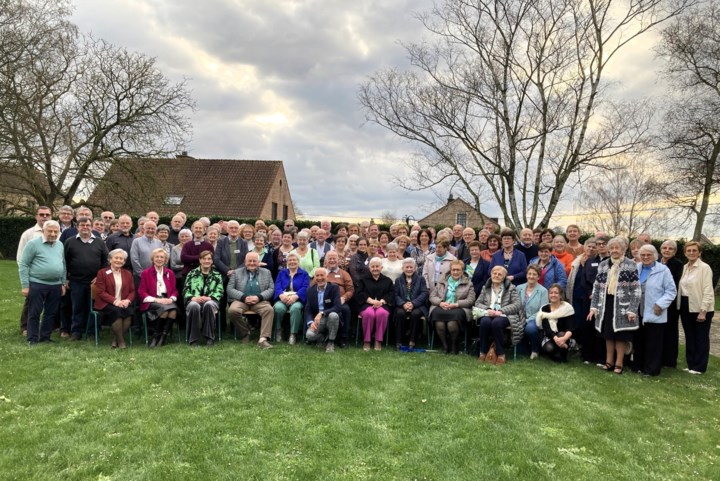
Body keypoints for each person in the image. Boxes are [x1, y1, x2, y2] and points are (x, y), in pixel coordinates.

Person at [588, 236, 641, 375]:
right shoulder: (603, 264)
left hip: (623, 305)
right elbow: (597, 287)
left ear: (623, 249)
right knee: (608, 335)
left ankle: (619, 363)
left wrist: (632, 309)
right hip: (606, 304)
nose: (614, 250)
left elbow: (636, 289)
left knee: (621, 336)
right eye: (612, 248)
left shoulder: (630, 265)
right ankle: (609, 361)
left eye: (617, 248)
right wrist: (594, 307)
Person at [18, 220, 66, 345]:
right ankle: (32, 338)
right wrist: (25, 286)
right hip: (37, 284)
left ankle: (45, 336)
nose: (53, 234)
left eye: (56, 231)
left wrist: (62, 283)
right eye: (50, 231)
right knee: (34, 312)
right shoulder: (33, 244)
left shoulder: (60, 245)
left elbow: (63, 264)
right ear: (44, 231)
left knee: (51, 313)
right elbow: (23, 264)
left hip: (55, 285)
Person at [64, 216, 109, 341]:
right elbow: (65, 262)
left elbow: (106, 261)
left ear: (91, 227)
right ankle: (76, 332)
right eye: (82, 225)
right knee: (77, 307)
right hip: (76, 281)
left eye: (88, 225)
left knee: (94, 307)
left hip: (95, 282)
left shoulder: (99, 242)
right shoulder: (70, 241)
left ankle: (91, 332)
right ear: (77, 227)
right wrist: (66, 278)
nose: (85, 227)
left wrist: (99, 276)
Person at [635, 245, 676, 376]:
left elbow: (671, 291)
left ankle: (651, 369)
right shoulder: (637, 268)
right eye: (643, 255)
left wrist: (660, 304)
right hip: (637, 310)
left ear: (655, 256)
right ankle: (638, 366)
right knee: (639, 340)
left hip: (654, 311)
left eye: (649, 255)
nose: (645, 257)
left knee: (653, 343)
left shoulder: (663, 270)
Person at [677, 241, 714, 374]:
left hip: (700, 307)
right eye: (689, 250)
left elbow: (708, 290)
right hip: (686, 305)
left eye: (694, 250)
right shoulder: (685, 267)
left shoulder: (705, 268)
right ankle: (691, 364)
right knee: (689, 336)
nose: (691, 253)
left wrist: (703, 311)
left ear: (699, 252)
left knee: (701, 337)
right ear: (685, 252)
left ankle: (699, 367)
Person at [474, 266, 523, 365]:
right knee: (485, 322)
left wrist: (501, 311)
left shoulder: (511, 288)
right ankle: (483, 352)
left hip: (505, 315)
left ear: (504, 277)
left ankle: (501, 354)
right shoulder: (486, 287)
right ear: (491, 275)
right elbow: (478, 303)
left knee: (496, 323)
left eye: (499, 274)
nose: (496, 275)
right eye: (494, 273)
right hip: (488, 314)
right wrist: (488, 309)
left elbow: (517, 304)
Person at [227, 251, 275, 349]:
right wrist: (244, 297)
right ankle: (245, 333)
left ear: (258, 262)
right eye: (249, 261)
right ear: (245, 262)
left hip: (260, 301)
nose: (252, 263)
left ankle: (263, 339)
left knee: (269, 310)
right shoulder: (237, 272)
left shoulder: (266, 272)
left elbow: (271, 289)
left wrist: (259, 297)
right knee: (232, 311)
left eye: (254, 261)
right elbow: (230, 289)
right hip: (241, 300)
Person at [16, 205, 52, 336]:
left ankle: (47, 327)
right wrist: (25, 278)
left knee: (50, 303)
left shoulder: (56, 231)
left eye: (47, 214)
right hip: (34, 276)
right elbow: (21, 258)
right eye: (41, 214)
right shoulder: (29, 234)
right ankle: (25, 327)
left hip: (51, 278)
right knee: (30, 302)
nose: (44, 217)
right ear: (36, 216)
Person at [429, 260, 476, 354]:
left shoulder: (468, 283)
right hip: (442, 307)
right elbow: (432, 296)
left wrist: (456, 304)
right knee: (439, 323)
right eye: (453, 270)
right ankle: (445, 346)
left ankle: (454, 345)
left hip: (459, 308)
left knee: (452, 324)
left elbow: (471, 300)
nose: (455, 272)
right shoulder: (441, 282)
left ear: (462, 271)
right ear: (450, 270)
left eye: (458, 270)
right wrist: (440, 303)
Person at [94, 249, 135, 348]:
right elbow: (101, 292)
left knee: (129, 312)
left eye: (121, 259)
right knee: (117, 312)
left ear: (124, 262)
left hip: (123, 302)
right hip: (106, 303)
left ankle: (115, 339)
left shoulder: (127, 273)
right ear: (110, 259)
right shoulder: (102, 273)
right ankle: (121, 342)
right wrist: (115, 301)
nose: (119, 260)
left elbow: (132, 291)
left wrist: (127, 300)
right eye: (116, 258)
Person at [138, 248, 179, 348]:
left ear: (165, 260)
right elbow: (141, 291)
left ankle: (163, 337)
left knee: (173, 310)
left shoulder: (170, 273)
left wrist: (171, 299)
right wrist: (156, 300)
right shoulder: (146, 273)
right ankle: (156, 336)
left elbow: (174, 291)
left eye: (162, 257)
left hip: (166, 299)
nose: (159, 259)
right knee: (164, 310)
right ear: (153, 259)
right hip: (153, 300)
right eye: (157, 257)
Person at [566, 238, 597, 363]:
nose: (591, 248)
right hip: (576, 296)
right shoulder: (577, 260)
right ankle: (579, 347)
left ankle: (588, 351)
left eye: (594, 246)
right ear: (584, 247)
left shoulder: (598, 262)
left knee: (588, 325)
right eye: (589, 246)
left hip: (589, 297)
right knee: (577, 323)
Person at [184, 250, 224, 346]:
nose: (207, 261)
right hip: (194, 300)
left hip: (211, 301)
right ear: (200, 260)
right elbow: (186, 289)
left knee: (209, 305)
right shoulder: (192, 273)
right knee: (194, 306)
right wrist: (193, 298)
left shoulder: (217, 275)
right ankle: (194, 339)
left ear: (212, 261)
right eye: (204, 259)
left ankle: (209, 337)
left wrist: (210, 298)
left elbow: (220, 290)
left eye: (209, 259)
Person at [357, 257, 394, 351]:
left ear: (381, 268)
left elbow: (391, 294)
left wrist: (381, 302)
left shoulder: (387, 280)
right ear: (369, 268)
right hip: (366, 304)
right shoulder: (363, 280)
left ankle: (378, 340)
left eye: (377, 266)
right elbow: (360, 293)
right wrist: (372, 301)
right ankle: (367, 341)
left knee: (381, 313)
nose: (375, 268)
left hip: (383, 305)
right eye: (373, 267)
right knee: (369, 314)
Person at [273, 252, 310, 345]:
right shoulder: (282, 273)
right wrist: (281, 295)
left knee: (295, 308)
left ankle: (293, 333)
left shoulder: (304, 274)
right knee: (278, 308)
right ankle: (278, 330)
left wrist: (296, 296)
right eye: (290, 260)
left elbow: (305, 287)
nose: (292, 262)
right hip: (283, 298)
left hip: (297, 298)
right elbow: (277, 285)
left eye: (294, 260)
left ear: (298, 261)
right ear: (287, 262)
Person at [393, 258, 429, 349]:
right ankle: (399, 341)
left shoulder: (421, 279)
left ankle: (412, 340)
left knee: (415, 314)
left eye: (411, 267)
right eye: (407, 267)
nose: (409, 269)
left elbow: (424, 293)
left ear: (415, 268)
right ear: (403, 268)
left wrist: (413, 303)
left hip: (417, 305)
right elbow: (395, 295)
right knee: (400, 313)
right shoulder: (398, 280)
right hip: (402, 305)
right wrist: (403, 304)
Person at [304, 267, 341, 352]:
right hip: (318, 321)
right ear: (314, 278)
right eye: (317, 276)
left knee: (333, 315)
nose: (320, 278)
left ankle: (331, 342)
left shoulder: (334, 288)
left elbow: (338, 307)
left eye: (322, 275)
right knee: (309, 335)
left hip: (330, 318)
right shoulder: (310, 290)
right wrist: (310, 322)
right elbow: (308, 309)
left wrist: (322, 313)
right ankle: (323, 338)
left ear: (327, 276)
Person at [535, 284, 575, 362]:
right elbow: (546, 328)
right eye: (551, 293)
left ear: (560, 295)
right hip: (549, 336)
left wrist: (563, 339)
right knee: (549, 348)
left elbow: (570, 327)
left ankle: (563, 353)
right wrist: (556, 339)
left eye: (556, 293)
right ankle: (559, 351)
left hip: (564, 336)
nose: (553, 295)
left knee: (561, 334)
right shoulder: (544, 308)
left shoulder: (567, 308)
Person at [659, 239, 683, 368]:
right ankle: (659, 357)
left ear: (675, 251)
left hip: (671, 303)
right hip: (655, 301)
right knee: (659, 331)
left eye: (670, 248)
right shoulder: (656, 262)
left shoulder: (678, 265)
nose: (667, 250)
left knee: (671, 331)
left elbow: (675, 284)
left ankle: (669, 360)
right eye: (665, 248)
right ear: (661, 249)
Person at [323, 250, 354, 348]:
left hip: (339, 301)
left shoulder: (344, 274)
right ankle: (318, 335)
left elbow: (350, 289)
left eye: (334, 259)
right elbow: (313, 286)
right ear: (326, 261)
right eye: (330, 259)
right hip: (323, 301)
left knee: (345, 309)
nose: (332, 261)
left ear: (338, 261)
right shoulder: (321, 272)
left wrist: (344, 298)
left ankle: (343, 338)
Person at [517, 265, 549, 359]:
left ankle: (535, 350)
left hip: (535, 318)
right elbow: (515, 304)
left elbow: (543, 309)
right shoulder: (519, 288)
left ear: (538, 277)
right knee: (521, 353)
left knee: (530, 328)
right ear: (526, 275)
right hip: (520, 317)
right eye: (529, 274)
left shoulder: (543, 291)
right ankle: (525, 347)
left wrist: (527, 320)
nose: (531, 276)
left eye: (534, 274)